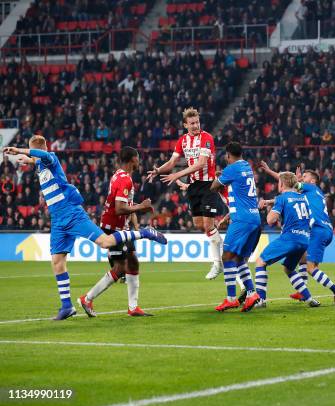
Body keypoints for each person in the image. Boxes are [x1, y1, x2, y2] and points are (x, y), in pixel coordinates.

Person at [3, 136, 166, 320]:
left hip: (72, 213)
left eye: (31, 150)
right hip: (57, 219)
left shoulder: (50, 158)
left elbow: (41, 155)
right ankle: (67, 306)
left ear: (38, 149)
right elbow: (37, 158)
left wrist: (20, 150)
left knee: (104, 243)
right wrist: (29, 159)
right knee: (57, 261)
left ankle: (144, 233)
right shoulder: (39, 163)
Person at [147, 107, 225, 279]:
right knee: (199, 225)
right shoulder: (182, 141)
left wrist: (176, 174)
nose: (196, 125)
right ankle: (218, 242)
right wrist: (158, 170)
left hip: (208, 184)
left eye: (197, 122)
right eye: (192, 123)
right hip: (193, 186)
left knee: (207, 225)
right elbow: (172, 161)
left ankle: (218, 263)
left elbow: (201, 163)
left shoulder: (207, 138)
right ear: (185, 125)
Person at [78, 147, 155, 317]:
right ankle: (87, 298)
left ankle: (133, 307)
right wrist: (142, 207)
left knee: (133, 262)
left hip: (121, 226)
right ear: (132, 160)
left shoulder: (121, 176)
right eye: (138, 157)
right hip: (114, 227)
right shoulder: (124, 180)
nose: (139, 160)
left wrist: (135, 225)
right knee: (121, 268)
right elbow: (120, 209)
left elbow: (128, 206)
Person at [259, 162, 335, 304]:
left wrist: (270, 172)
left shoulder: (310, 187)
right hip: (323, 230)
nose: (301, 178)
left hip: (318, 230)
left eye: (304, 176)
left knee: (311, 268)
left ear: (312, 180)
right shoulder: (311, 193)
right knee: (302, 257)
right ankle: (302, 291)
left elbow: (287, 183)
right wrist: (269, 201)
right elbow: (288, 191)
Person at [254, 172, 320, 308]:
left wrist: (267, 208)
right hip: (304, 240)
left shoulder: (281, 198)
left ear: (282, 184)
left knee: (260, 262)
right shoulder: (303, 198)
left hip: (289, 238)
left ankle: (261, 300)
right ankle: (309, 299)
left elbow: (270, 220)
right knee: (288, 268)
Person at [209, 142, 261, 312]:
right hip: (255, 219)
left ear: (228, 155)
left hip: (241, 219)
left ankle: (231, 298)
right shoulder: (246, 166)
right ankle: (252, 293)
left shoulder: (231, 168)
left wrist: (219, 177)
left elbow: (214, 187)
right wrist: (223, 176)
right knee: (239, 259)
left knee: (227, 257)